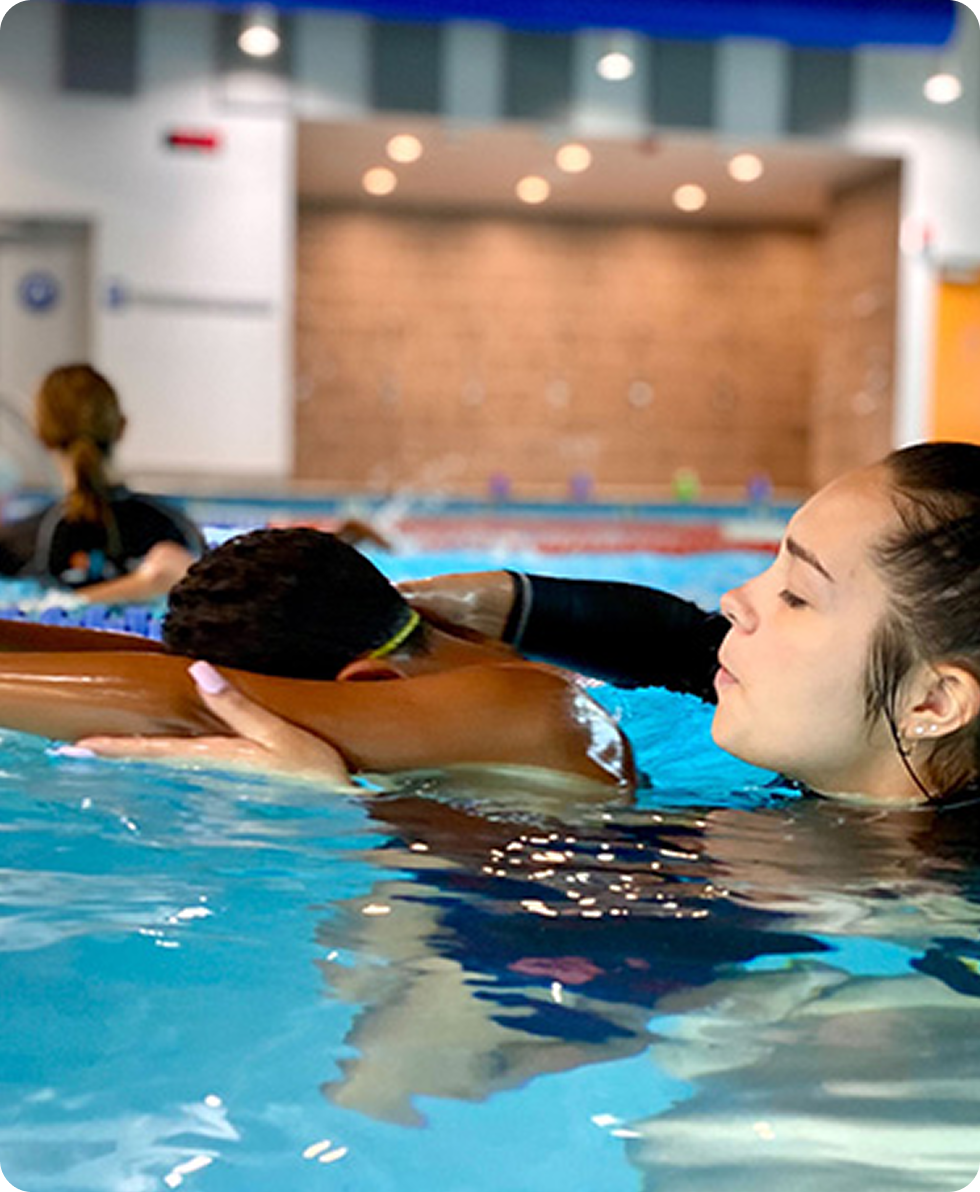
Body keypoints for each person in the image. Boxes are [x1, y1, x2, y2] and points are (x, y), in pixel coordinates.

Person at [396, 442, 980, 807]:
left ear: (932, 702)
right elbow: (683, 645)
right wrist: (503, 603)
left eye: (797, 596)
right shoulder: (844, 747)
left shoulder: (925, 916)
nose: (734, 600)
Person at [0, 527, 633, 789]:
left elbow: (193, 696)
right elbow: (174, 664)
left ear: (366, 681)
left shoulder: (530, 710)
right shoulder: (514, 680)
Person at [0, 363, 206, 602]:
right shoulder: (176, 529)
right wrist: (144, 584)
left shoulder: (21, 543)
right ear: (121, 427)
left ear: (40, 433)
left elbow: (34, 613)